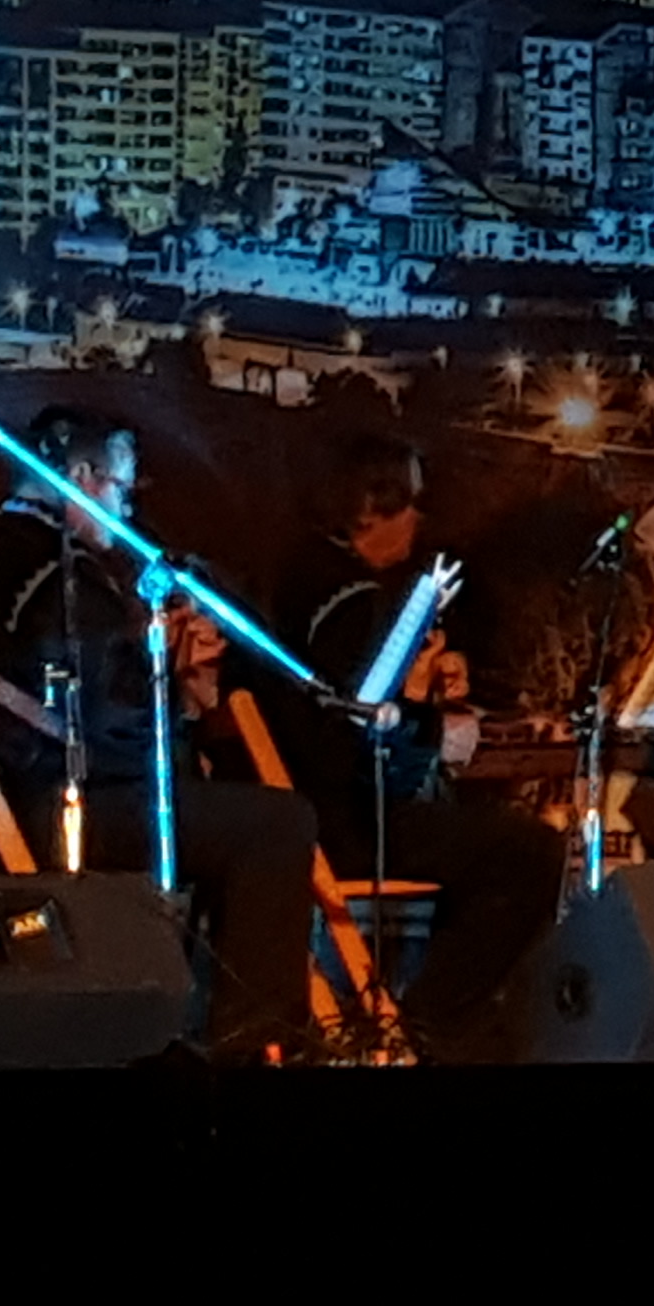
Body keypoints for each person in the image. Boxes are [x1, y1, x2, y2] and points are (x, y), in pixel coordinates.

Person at [0, 404, 320, 1060]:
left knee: (241, 816)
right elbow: (106, 729)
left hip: (15, 796)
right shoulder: (52, 571)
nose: (127, 510)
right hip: (54, 806)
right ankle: (254, 1045)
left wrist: (174, 685)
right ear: (82, 476)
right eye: (122, 489)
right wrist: (173, 680)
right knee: (278, 824)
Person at [241, 430, 564, 1062]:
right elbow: (359, 747)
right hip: (344, 822)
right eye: (409, 502)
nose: (419, 518)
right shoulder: (353, 601)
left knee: (485, 842)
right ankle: (430, 1023)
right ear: (368, 507)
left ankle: (427, 1017)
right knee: (531, 853)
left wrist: (422, 696)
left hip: (307, 809)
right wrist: (432, 726)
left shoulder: (298, 579)